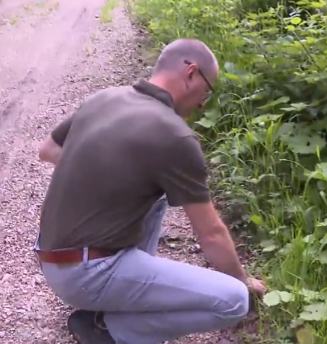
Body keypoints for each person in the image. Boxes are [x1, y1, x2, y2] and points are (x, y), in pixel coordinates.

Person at [35, 38, 266, 344]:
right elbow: (210, 234)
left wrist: (105, 173)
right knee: (234, 299)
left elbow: (49, 149)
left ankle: (121, 298)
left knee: (156, 194)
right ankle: (110, 329)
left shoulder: (105, 98)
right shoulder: (176, 136)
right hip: (85, 276)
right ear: (191, 73)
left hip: (52, 257)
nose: (202, 103)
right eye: (207, 91)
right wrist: (244, 281)